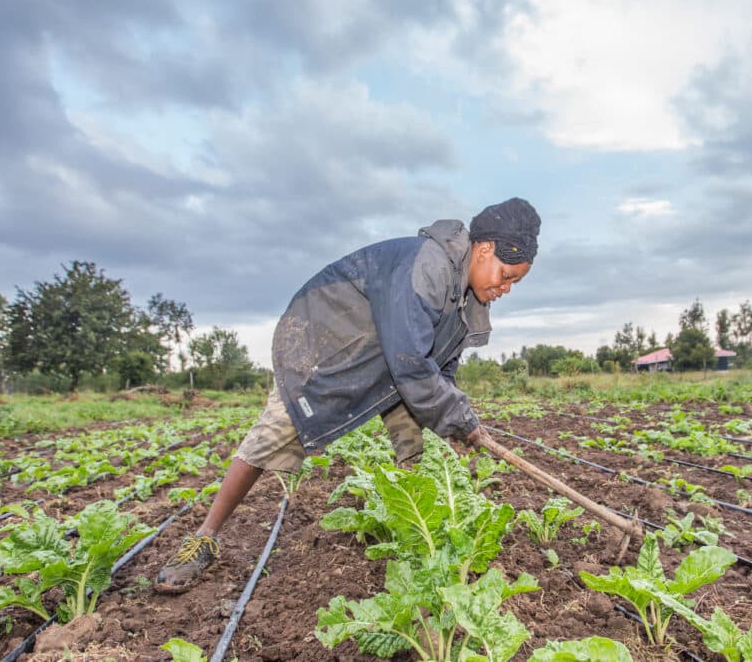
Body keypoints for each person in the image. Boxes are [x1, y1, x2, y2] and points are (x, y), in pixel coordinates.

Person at [155, 197, 541, 592]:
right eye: (506, 275)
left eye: (515, 283)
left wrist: (457, 423)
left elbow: (440, 370)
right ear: (483, 249)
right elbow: (411, 361)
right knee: (273, 434)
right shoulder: (428, 266)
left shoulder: (469, 298)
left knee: (413, 444)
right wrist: (460, 418)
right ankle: (203, 536)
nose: (506, 288)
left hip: (385, 362)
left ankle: (415, 537)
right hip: (322, 343)